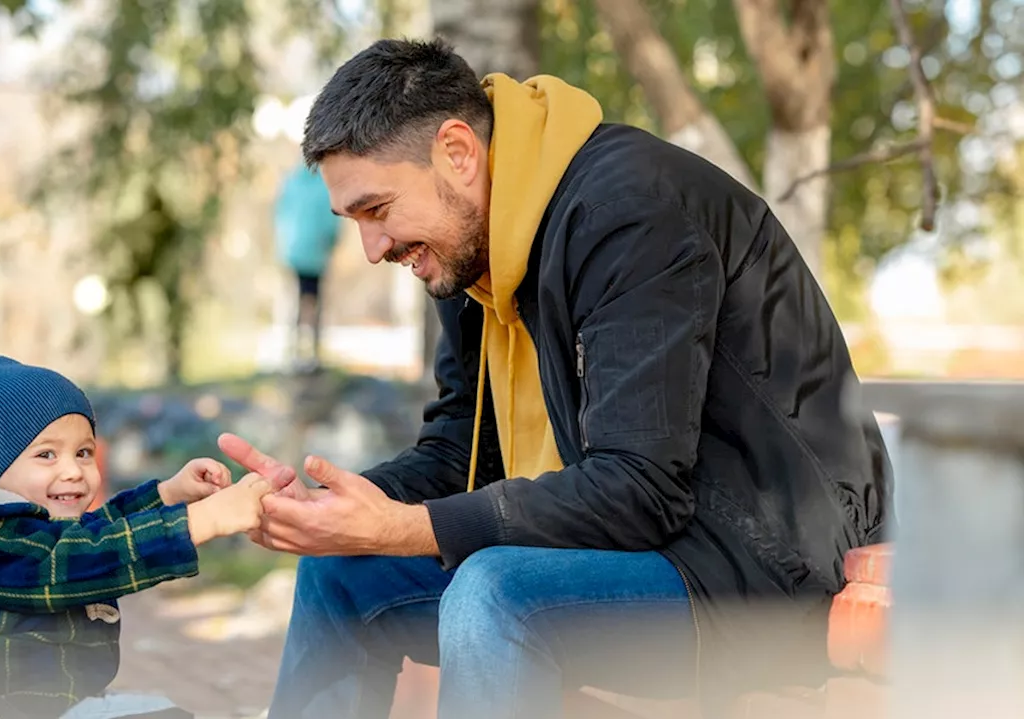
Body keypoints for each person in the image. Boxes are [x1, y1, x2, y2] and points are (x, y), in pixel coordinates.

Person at [218, 37, 892, 719]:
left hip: (762, 566)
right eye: (353, 220)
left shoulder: (629, 213)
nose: (372, 248)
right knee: (339, 569)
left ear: (457, 152)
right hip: (645, 548)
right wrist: (331, 511)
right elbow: (461, 453)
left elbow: (640, 490)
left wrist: (401, 527)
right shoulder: (471, 245)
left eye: (378, 209)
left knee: (496, 591)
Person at [0, 356, 279, 718]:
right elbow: (81, 557)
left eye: (84, 452)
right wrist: (201, 521)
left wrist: (168, 496)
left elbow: (93, 532)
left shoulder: (15, 525)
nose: (73, 470)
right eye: (46, 455)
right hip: (14, 707)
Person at [273, 163, 341, 372]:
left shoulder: (290, 182)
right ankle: (311, 354)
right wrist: (330, 244)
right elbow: (332, 221)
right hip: (315, 253)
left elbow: (278, 214)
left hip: (291, 252)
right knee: (313, 302)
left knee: (295, 301)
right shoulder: (324, 186)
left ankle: (293, 351)